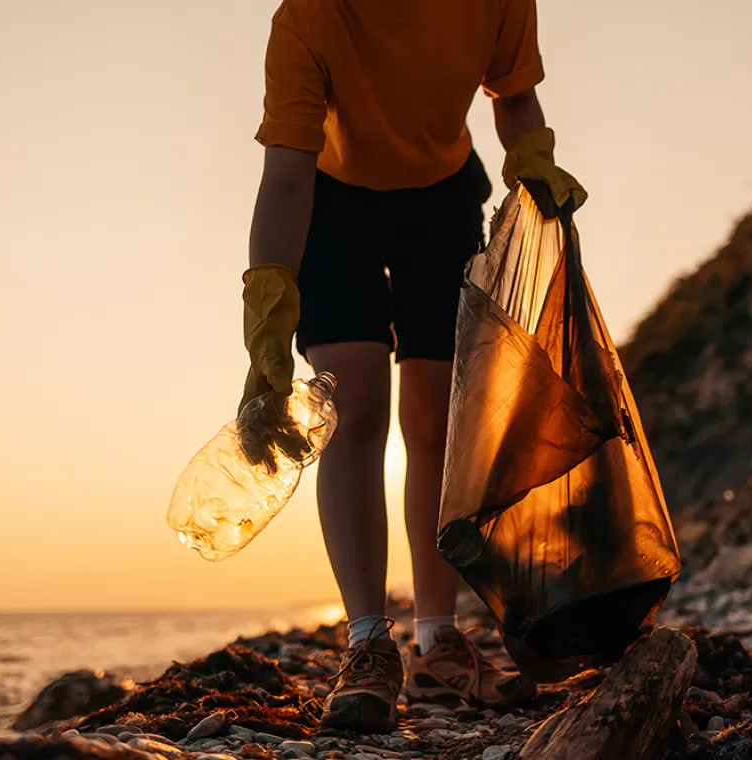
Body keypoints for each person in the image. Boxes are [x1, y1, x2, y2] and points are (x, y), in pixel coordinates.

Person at [239, 0, 587, 733]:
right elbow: (285, 178)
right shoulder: (307, 20)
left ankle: (438, 640)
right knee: (355, 407)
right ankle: (367, 642)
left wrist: (532, 159)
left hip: (441, 199)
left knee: (435, 419)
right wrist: (269, 303)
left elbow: (514, 93)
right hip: (332, 203)